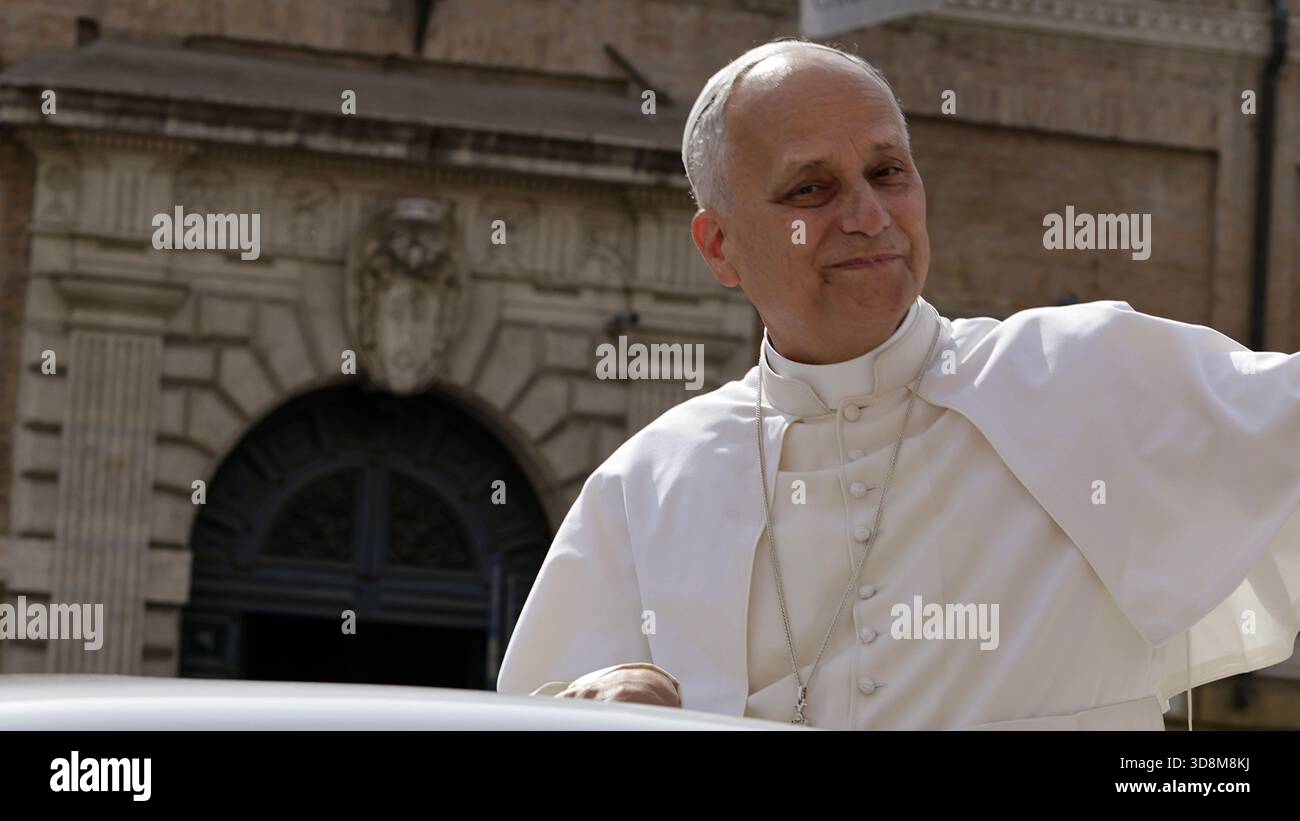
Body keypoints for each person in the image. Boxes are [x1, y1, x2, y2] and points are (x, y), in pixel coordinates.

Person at [496, 37, 1300, 729]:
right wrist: (585, 703)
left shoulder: (1085, 376)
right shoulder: (647, 486)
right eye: (811, 188)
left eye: (888, 172)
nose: (870, 215)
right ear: (719, 244)